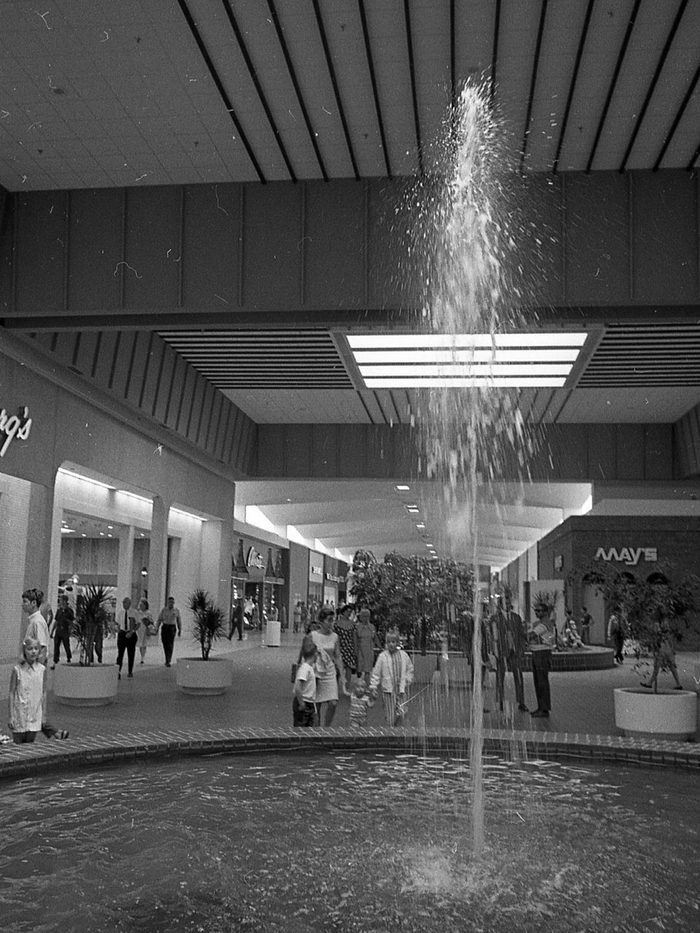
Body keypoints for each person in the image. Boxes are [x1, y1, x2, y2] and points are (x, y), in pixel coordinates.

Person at [8, 636, 69, 744]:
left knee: (30, 745)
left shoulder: (42, 670)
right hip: (19, 713)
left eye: (36, 649)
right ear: (24, 650)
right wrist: (11, 716)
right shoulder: (17, 670)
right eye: (30, 649)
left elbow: (43, 692)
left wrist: (43, 714)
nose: (33, 652)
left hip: (34, 714)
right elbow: (12, 693)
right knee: (19, 745)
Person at [310, 606, 347, 726]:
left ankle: (327, 726)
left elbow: (338, 655)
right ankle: (317, 729)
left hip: (330, 671)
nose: (332, 623)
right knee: (316, 704)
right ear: (321, 622)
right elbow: (307, 654)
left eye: (333, 620)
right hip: (317, 671)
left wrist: (342, 675)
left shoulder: (335, 636)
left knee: (333, 702)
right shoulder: (313, 635)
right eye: (329, 620)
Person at [369, 629, 414, 726]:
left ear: (397, 643)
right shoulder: (382, 656)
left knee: (402, 713)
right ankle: (390, 729)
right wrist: (373, 686)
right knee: (390, 716)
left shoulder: (404, 655)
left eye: (393, 642)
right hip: (388, 691)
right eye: (388, 642)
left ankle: (398, 729)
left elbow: (410, 669)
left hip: (401, 690)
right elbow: (376, 673)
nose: (391, 644)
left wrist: (408, 680)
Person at [292, 634, 317, 727]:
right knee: (301, 727)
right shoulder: (305, 669)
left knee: (307, 726)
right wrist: (302, 703)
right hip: (304, 702)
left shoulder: (309, 668)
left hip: (308, 702)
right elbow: (298, 687)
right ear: (315, 654)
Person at [22, 587, 51, 666]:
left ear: (34, 603)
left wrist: (37, 669)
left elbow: (42, 647)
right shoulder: (33, 620)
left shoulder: (37, 622)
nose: (22, 604)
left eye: (25, 602)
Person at [334, 604, 358, 692]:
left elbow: (354, 637)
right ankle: (335, 687)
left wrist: (355, 649)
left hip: (349, 647)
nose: (349, 613)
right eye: (348, 611)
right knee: (338, 668)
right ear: (343, 612)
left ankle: (347, 687)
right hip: (340, 647)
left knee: (349, 668)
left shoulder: (353, 624)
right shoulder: (336, 624)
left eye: (350, 612)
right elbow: (334, 637)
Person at [116, 596, 139, 678]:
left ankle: (130, 671)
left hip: (131, 634)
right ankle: (118, 671)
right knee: (120, 654)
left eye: (125, 603)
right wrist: (119, 631)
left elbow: (138, 624)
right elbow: (118, 624)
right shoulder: (120, 613)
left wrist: (132, 632)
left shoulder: (134, 612)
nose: (123, 605)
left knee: (131, 653)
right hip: (122, 634)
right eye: (123, 603)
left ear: (129, 604)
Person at [156, 595, 182, 667]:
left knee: (170, 644)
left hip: (172, 628)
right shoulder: (164, 610)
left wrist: (180, 629)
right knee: (165, 643)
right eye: (170, 602)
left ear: (174, 603)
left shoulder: (176, 610)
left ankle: (168, 660)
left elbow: (179, 620)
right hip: (165, 627)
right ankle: (166, 657)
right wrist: (157, 628)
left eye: (172, 602)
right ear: (167, 602)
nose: (171, 604)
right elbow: (159, 619)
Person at [50, 593, 74, 669]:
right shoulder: (59, 610)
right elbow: (56, 621)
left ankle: (69, 658)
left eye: (61, 600)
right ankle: (55, 661)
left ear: (64, 601)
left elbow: (72, 622)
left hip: (65, 631)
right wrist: (52, 631)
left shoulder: (69, 611)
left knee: (66, 645)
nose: (60, 602)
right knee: (56, 646)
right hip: (58, 631)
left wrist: (70, 630)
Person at [530, 644, 552, 718]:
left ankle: (544, 709)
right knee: (538, 681)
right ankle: (541, 707)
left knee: (542, 681)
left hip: (542, 651)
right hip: (536, 650)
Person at [355, 608, 377, 682]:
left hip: (369, 650)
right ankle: (359, 685)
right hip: (360, 650)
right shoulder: (357, 627)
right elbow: (355, 639)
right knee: (359, 670)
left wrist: (380, 647)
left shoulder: (372, 627)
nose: (366, 618)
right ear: (360, 617)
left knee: (368, 670)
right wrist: (355, 651)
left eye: (367, 616)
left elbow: (375, 637)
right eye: (364, 616)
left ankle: (367, 685)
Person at [136, 597, 154, 664]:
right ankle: (141, 655)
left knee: (144, 643)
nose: (141, 606)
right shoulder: (138, 612)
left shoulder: (148, 613)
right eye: (140, 605)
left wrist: (148, 622)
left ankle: (142, 657)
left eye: (142, 605)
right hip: (139, 629)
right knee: (140, 643)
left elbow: (151, 621)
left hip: (145, 629)